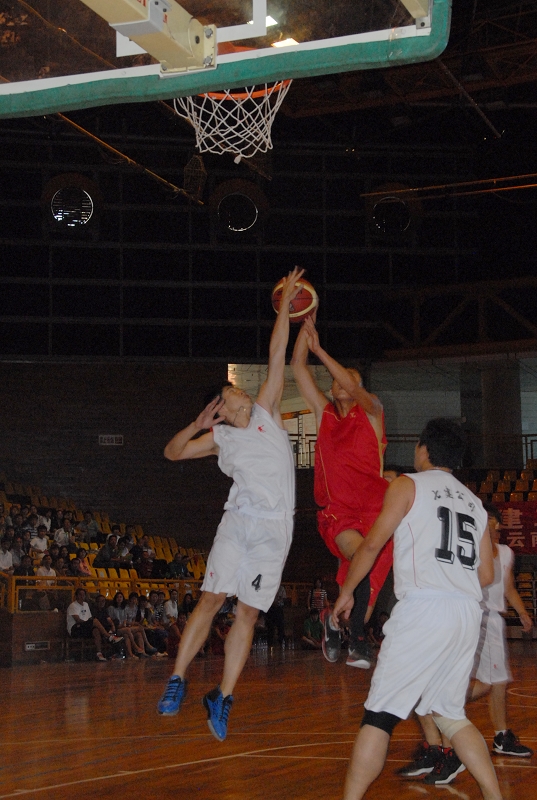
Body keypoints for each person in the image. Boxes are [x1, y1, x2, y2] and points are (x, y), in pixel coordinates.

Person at [156, 267, 301, 741]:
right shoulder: (218, 438)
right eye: (231, 390)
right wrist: (197, 425)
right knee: (212, 597)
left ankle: (222, 696)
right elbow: (172, 453)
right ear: (221, 407)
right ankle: (177, 679)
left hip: (275, 529)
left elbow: (277, 352)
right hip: (239, 522)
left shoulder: (267, 410)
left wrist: (285, 307)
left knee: (248, 614)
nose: (240, 390)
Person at [331, 418, 503, 800]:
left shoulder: (407, 485)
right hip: (465, 613)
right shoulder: (474, 503)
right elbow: (487, 574)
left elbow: (371, 545)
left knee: (379, 715)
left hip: (424, 609)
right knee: (451, 715)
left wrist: (347, 591)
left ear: (423, 449)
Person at [399, 502, 533, 785]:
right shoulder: (466, 550)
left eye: (496, 522)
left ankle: (488, 733)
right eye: (489, 521)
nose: (494, 526)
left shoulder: (505, 553)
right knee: (471, 682)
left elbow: (508, 588)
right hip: (469, 616)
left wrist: (522, 612)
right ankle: (454, 736)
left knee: (493, 682)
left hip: (489, 619)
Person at [291, 314, 390, 669]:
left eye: (350, 379)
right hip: (340, 513)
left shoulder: (372, 411)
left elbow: (353, 384)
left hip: (377, 513)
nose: (342, 382)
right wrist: (304, 330)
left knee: (359, 609)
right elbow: (297, 366)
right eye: (336, 379)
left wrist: (321, 350)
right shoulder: (325, 414)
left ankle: (333, 622)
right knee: (362, 555)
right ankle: (359, 643)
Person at [67, 587, 123, 662]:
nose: (82, 596)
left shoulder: (86, 605)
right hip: (76, 628)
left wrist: (89, 624)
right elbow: (77, 620)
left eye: (83, 595)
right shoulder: (73, 605)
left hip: (85, 627)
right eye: (80, 594)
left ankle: (99, 654)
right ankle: (109, 637)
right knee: (95, 621)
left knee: (96, 630)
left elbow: (89, 617)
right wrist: (89, 623)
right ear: (76, 596)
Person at [265, 583, 287, 648]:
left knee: (280, 626)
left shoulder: (281, 588)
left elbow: (284, 598)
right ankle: (270, 643)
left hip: (279, 609)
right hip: (271, 609)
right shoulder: (269, 588)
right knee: (270, 626)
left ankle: (280, 642)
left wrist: (278, 601)